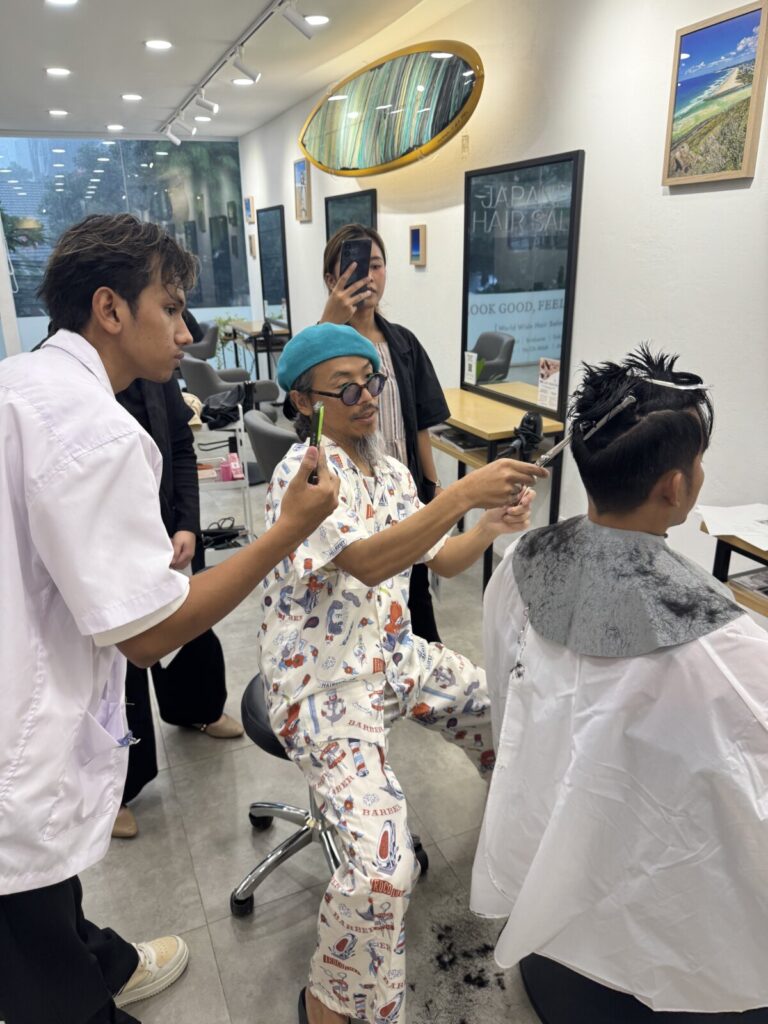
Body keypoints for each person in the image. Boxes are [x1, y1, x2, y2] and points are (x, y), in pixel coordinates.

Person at [0, 213, 338, 1024]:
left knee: (47, 903)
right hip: (18, 737)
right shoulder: (95, 431)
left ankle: (102, 961)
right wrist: (287, 531)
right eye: (172, 307)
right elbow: (150, 636)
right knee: (32, 954)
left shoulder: (21, 381)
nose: (187, 332)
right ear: (110, 309)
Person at [259, 323, 547, 1024]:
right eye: (346, 388)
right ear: (305, 401)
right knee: (384, 873)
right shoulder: (304, 477)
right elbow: (367, 562)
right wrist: (460, 493)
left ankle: (517, 850)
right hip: (323, 683)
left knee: (510, 710)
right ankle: (329, 1001)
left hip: (392, 654)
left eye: (372, 381)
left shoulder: (387, 470)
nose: (367, 397)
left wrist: (487, 525)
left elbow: (438, 558)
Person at [471, 347, 768, 1015]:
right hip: (659, 916)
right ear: (675, 487)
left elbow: (509, 696)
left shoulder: (520, 562)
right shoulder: (725, 648)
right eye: (699, 462)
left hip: (549, 862)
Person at [113, 376, 243, 841]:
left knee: (189, 623)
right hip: (106, 545)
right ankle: (115, 789)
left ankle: (197, 709)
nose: (185, 341)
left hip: (167, 531)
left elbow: (182, 449)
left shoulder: (156, 372)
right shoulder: (68, 383)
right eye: (173, 337)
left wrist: (187, 522)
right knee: (117, 664)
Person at [319, 224, 449, 642]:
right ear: (331, 279)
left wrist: (432, 486)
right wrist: (327, 325)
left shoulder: (403, 344)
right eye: (355, 267)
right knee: (360, 607)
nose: (368, 277)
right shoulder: (321, 348)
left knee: (416, 603)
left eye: (376, 265)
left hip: (402, 497)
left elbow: (421, 424)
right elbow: (300, 414)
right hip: (350, 501)